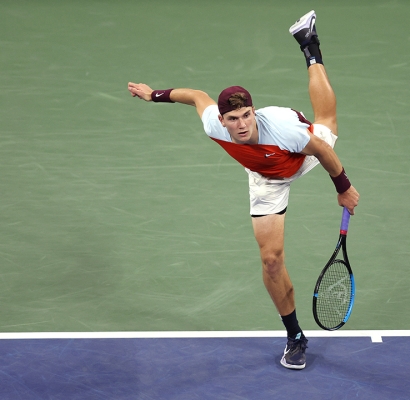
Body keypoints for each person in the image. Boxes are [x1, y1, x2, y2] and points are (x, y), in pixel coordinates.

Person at [127, 10, 359, 370]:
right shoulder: (213, 125)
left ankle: (310, 47)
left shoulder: (285, 130)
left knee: (326, 123)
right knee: (271, 262)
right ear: (222, 121)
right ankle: (295, 336)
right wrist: (153, 95)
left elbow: (323, 151)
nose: (241, 124)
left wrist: (343, 187)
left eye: (247, 115)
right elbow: (196, 96)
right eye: (233, 119)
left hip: (299, 155)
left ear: (254, 110)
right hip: (266, 178)